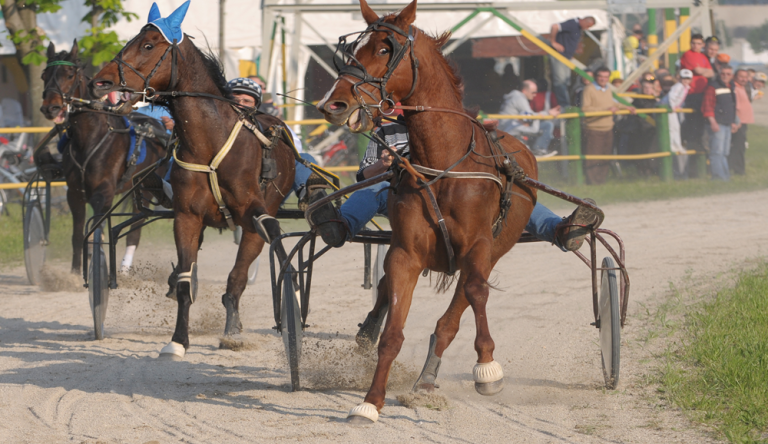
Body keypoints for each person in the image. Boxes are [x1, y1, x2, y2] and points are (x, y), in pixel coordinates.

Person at [309, 116, 600, 254]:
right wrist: (383, 165)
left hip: (451, 198)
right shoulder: (386, 131)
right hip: (401, 196)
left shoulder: (455, 126)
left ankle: (560, 231)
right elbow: (364, 176)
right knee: (372, 189)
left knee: (512, 195)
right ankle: (340, 226)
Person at [581, 66, 636, 185]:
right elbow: (585, 109)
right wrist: (606, 110)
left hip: (608, 128)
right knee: (594, 157)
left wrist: (626, 107)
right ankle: (593, 182)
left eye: (606, 77)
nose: (603, 79)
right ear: (596, 77)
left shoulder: (608, 89)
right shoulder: (589, 89)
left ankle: (601, 181)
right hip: (594, 129)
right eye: (601, 76)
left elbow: (612, 104)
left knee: (605, 156)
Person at [498, 79, 561, 157]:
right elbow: (530, 116)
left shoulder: (516, 96)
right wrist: (548, 113)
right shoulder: (519, 98)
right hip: (510, 129)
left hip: (510, 128)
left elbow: (528, 116)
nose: (535, 95)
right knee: (547, 125)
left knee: (543, 125)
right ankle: (539, 150)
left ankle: (536, 149)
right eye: (533, 92)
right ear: (524, 91)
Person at [680, 34, 715, 163]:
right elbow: (699, 71)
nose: (696, 46)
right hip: (692, 93)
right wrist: (704, 71)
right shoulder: (688, 54)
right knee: (693, 124)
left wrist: (703, 71)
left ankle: (702, 152)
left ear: (703, 45)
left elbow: (711, 73)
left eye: (699, 43)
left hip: (702, 92)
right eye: (693, 43)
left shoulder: (703, 57)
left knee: (701, 124)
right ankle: (693, 155)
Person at [549, 16, 596, 109]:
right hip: (560, 56)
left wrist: (571, 52)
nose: (587, 28)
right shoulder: (573, 23)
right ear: (584, 21)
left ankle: (566, 104)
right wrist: (553, 42)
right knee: (560, 81)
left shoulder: (577, 27)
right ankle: (564, 105)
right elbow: (555, 26)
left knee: (566, 81)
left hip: (566, 57)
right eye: (588, 26)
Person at [702, 65, 738, 181]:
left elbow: (731, 106)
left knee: (724, 152)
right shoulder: (713, 87)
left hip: (727, 123)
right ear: (719, 74)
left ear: (732, 76)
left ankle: (725, 177)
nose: (725, 76)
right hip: (717, 123)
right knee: (717, 152)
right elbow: (707, 106)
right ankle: (718, 177)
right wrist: (713, 122)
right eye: (723, 74)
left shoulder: (731, 86)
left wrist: (732, 122)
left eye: (728, 74)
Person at [667, 69, 693, 178]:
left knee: (676, 127)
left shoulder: (685, 87)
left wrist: (678, 106)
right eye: (684, 78)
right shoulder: (678, 86)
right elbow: (671, 96)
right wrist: (673, 106)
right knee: (673, 127)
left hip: (673, 108)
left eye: (688, 79)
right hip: (669, 108)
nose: (686, 81)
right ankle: (674, 145)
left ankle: (677, 145)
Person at [730, 69, 754, 176]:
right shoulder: (735, 88)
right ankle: (738, 170)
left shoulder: (742, 87)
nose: (744, 79)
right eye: (741, 77)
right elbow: (734, 106)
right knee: (738, 147)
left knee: (740, 146)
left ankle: (737, 169)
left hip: (744, 122)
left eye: (746, 77)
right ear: (735, 77)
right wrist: (736, 121)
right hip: (738, 122)